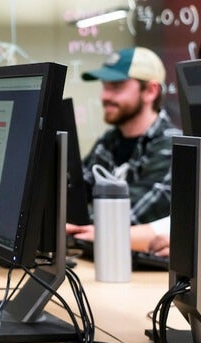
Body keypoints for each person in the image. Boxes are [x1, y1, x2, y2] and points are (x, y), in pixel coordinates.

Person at [74, 46, 180, 226]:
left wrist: (71, 223)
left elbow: (129, 216)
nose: (104, 96)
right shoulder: (108, 141)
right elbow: (74, 193)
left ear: (150, 91)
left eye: (116, 86)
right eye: (104, 86)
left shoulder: (172, 146)